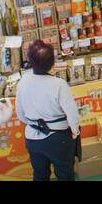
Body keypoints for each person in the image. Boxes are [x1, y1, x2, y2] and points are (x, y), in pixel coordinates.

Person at [15, 41, 81, 181]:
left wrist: (34, 123)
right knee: (65, 175)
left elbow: (20, 114)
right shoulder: (59, 84)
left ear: (30, 61)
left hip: (33, 137)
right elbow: (72, 113)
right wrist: (75, 131)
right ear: (52, 63)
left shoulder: (23, 82)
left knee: (40, 174)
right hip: (59, 138)